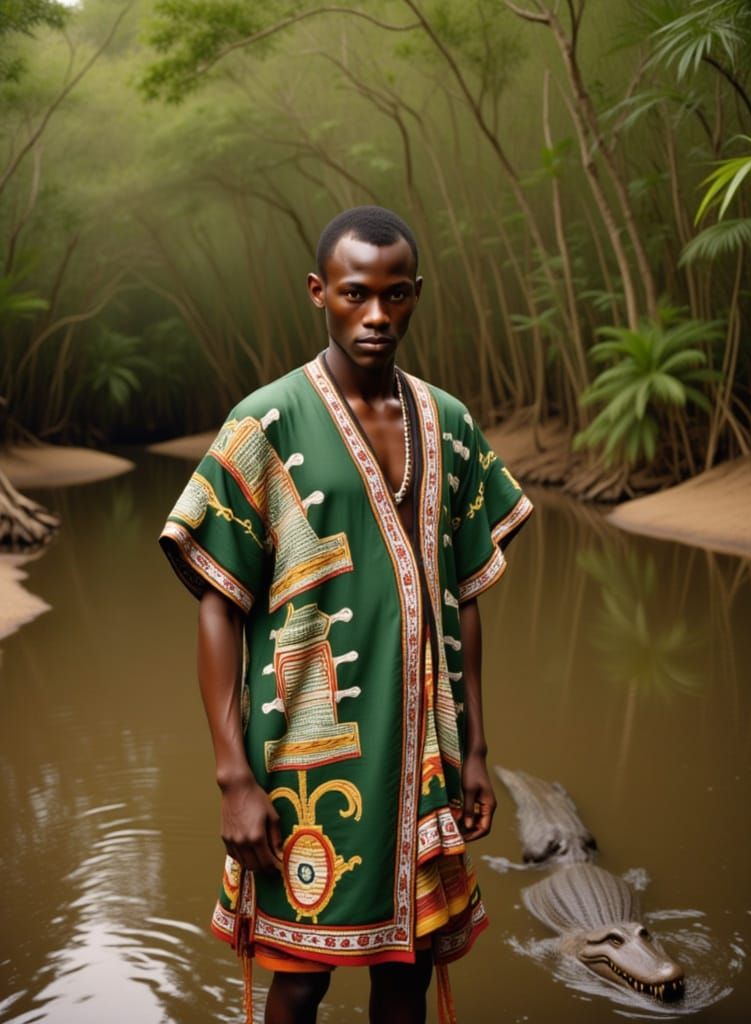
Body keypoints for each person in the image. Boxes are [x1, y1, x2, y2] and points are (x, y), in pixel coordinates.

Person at [160, 206, 533, 1024]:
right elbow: (220, 606)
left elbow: (464, 595)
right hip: (308, 756)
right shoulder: (267, 420)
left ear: (415, 295)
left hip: (425, 758)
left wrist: (475, 749)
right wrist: (232, 777)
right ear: (317, 291)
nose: (376, 316)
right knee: (302, 976)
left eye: (396, 296)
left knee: (404, 969)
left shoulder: (452, 424)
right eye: (355, 294)